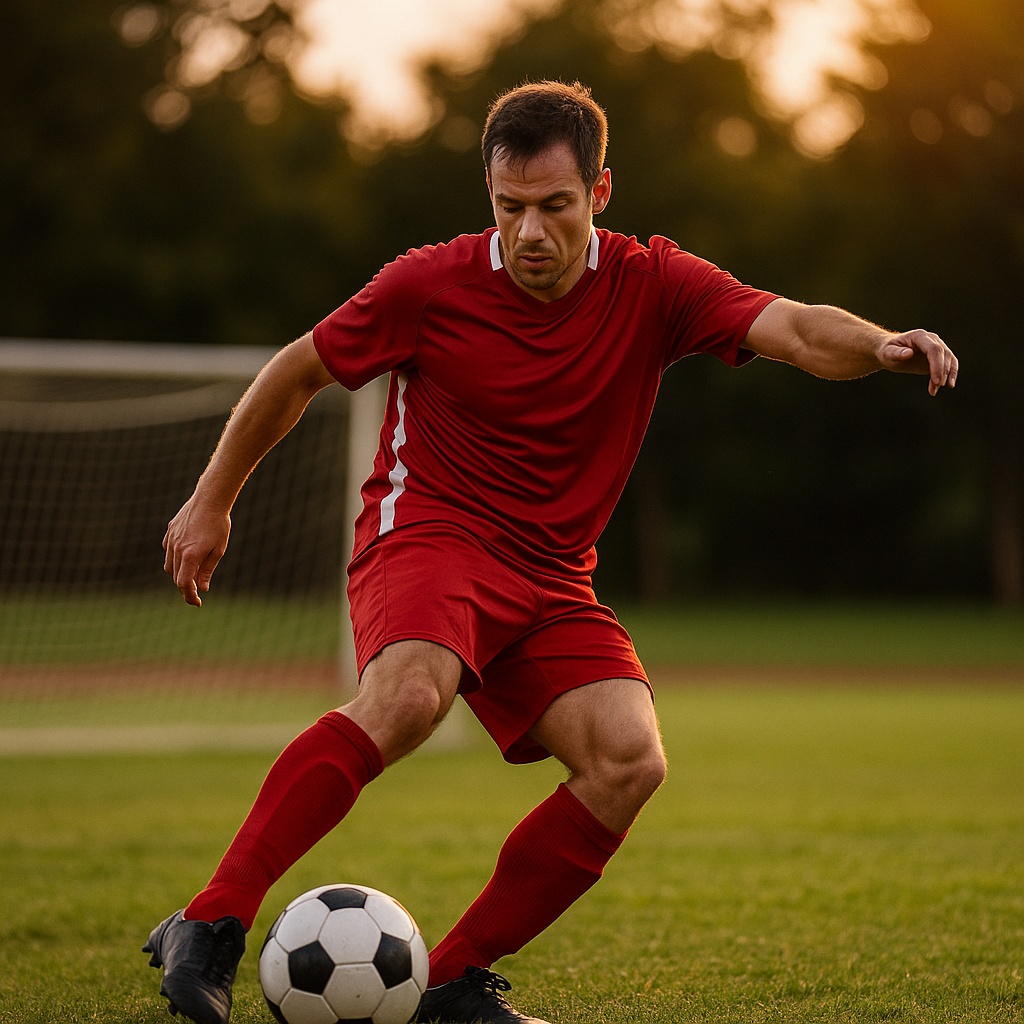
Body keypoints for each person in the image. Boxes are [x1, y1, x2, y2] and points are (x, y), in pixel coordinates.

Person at [145, 80, 958, 1024]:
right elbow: (298, 370)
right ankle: (209, 922)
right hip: (430, 531)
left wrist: (882, 345)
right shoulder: (428, 284)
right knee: (408, 697)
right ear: (489, 195)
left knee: (628, 759)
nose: (530, 232)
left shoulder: (656, 283)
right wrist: (211, 501)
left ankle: (447, 983)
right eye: (510, 206)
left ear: (600, 192)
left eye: (555, 206)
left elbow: (798, 329)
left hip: (551, 573)